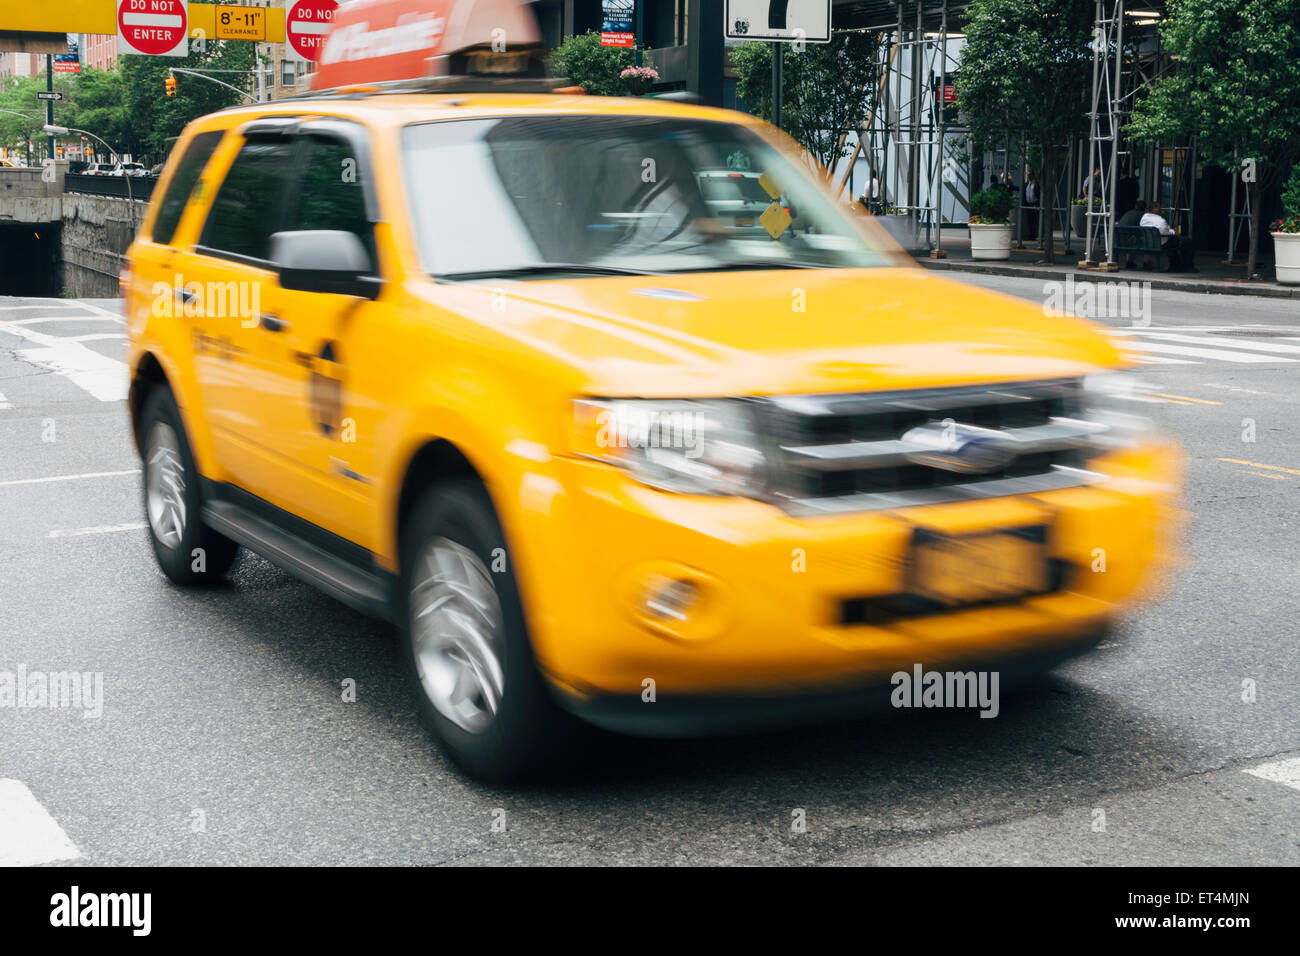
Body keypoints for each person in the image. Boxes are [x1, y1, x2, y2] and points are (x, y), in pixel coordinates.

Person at [1140, 202, 1195, 271]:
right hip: (1161, 243)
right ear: (1154, 209)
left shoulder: (1144, 218)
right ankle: (1187, 266)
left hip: (1149, 243)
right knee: (1187, 242)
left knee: (1176, 242)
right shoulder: (1160, 220)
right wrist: (1172, 231)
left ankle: (1176, 265)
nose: (1160, 209)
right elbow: (1166, 233)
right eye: (1159, 207)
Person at [1117, 199, 1147, 269]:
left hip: (1117, 238)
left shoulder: (1128, 213)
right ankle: (1145, 262)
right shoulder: (1143, 215)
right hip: (1127, 241)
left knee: (1133, 239)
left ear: (1136, 206)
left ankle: (1128, 262)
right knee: (1142, 240)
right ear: (1145, 208)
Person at [1022, 168, 1040, 240]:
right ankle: (1031, 235)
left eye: (1029, 175)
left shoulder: (1036, 184)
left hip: (1035, 204)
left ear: (1033, 175)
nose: (1028, 176)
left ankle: (1035, 235)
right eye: (1027, 175)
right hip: (1028, 204)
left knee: (1035, 220)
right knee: (1030, 221)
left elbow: (1038, 194)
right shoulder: (1026, 184)